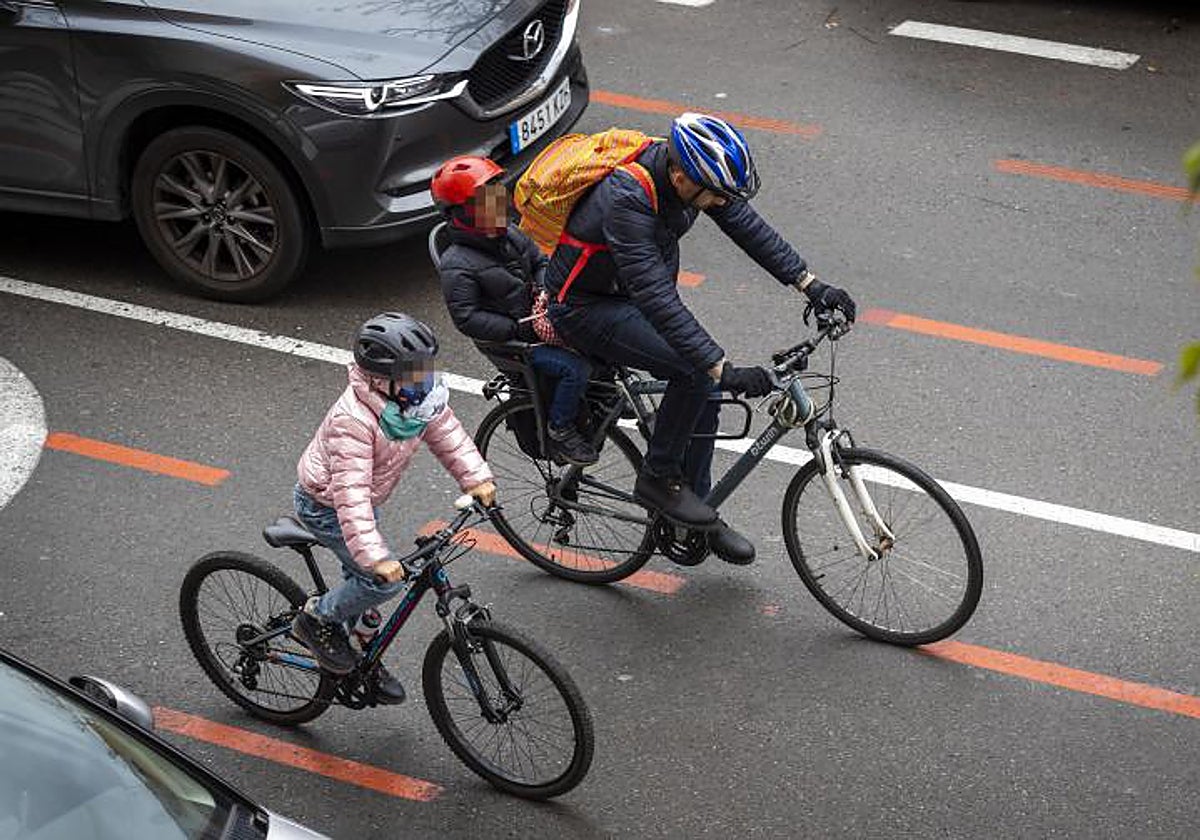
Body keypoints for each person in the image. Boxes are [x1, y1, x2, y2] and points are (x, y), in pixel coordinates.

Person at [544, 112, 857, 565]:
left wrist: (810, 284)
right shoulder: (627, 196)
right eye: (713, 195)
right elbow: (653, 294)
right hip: (586, 306)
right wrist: (720, 367)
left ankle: (698, 513)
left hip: (627, 293)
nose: (718, 203)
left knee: (704, 386)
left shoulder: (691, 177)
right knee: (697, 371)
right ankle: (658, 478)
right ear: (679, 177)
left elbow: (749, 228)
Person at [290, 312, 496, 702]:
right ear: (379, 381)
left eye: (425, 368)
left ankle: (358, 656)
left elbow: (447, 433)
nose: (424, 378)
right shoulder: (353, 421)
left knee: (369, 589)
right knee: (379, 581)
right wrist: (375, 559)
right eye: (412, 373)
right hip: (327, 505)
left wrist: (476, 478)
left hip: (363, 502)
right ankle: (315, 619)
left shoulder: (414, 400)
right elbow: (349, 495)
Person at [432, 155, 598, 466]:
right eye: (485, 201)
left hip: (540, 319)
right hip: (514, 343)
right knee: (573, 368)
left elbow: (539, 262)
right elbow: (466, 318)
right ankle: (560, 430)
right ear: (461, 214)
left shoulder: (509, 234)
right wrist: (517, 327)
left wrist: (544, 290)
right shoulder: (457, 264)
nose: (498, 205)